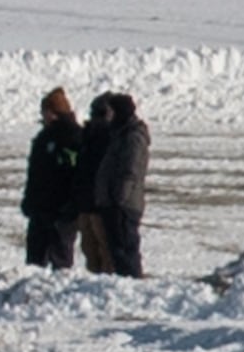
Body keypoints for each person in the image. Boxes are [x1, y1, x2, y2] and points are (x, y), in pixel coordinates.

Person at [85, 91, 151, 278]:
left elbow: (131, 170)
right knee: (116, 251)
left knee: (125, 251)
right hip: (114, 203)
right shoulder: (119, 135)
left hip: (124, 205)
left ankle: (132, 285)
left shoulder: (132, 137)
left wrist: (118, 197)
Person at [20, 89, 88, 270]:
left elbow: (79, 174)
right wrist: (29, 200)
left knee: (61, 259)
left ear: (53, 112)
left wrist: (72, 205)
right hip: (41, 208)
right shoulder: (44, 137)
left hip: (61, 211)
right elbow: (35, 174)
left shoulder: (73, 136)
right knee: (35, 260)